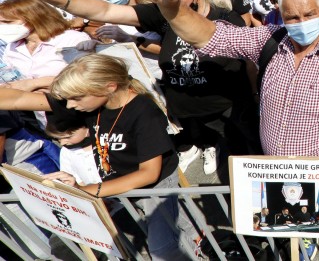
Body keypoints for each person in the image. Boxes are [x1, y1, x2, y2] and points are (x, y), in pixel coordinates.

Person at [131, 0, 319, 260]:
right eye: (292, 16)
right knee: (292, 220)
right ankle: (302, 242)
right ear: (279, 12)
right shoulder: (268, 40)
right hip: (277, 170)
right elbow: (209, 35)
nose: (301, 22)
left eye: (309, 14)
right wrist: (171, 7)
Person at [12, 0, 261, 179]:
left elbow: (248, 62)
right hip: (186, 107)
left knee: (249, 157)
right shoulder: (163, 12)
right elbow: (104, 10)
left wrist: (253, 96)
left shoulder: (225, 17)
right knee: (223, 152)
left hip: (228, 109)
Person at [0, 55, 199, 260]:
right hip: (121, 187)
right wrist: (35, 83)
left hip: (155, 190)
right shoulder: (91, 102)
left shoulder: (143, 112)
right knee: (141, 243)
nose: (69, 106)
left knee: (164, 250)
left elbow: (149, 174)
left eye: (75, 98)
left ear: (109, 87)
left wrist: (86, 191)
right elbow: (16, 99)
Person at [0, 0, 91, 92]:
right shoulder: (12, 47)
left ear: (33, 19)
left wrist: (34, 83)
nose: (2, 26)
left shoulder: (72, 39)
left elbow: (85, 75)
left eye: (8, 22)